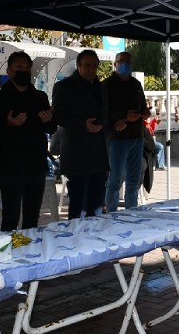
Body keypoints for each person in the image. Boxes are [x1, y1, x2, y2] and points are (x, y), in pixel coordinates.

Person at [0, 51, 56, 231]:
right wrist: (8, 124)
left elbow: (52, 128)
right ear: (10, 71)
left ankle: (31, 254)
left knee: (32, 220)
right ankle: (10, 256)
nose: (24, 71)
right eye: (19, 68)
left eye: (27, 68)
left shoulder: (39, 97)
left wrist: (48, 121)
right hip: (10, 167)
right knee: (11, 218)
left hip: (36, 165)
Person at [52, 50, 109, 220]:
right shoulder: (64, 87)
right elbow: (59, 117)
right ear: (78, 66)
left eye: (94, 66)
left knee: (97, 207)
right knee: (78, 209)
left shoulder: (101, 87)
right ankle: (75, 242)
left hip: (99, 154)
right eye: (87, 65)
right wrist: (82, 124)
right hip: (77, 154)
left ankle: (97, 242)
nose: (91, 69)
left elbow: (106, 113)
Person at [103, 51, 149, 212]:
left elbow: (142, 104)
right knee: (115, 180)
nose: (124, 64)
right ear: (115, 64)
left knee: (134, 181)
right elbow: (104, 112)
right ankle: (112, 215)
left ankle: (132, 214)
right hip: (117, 139)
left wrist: (145, 112)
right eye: (121, 61)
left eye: (128, 62)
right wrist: (123, 117)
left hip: (137, 137)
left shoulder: (136, 84)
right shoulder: (107, 85)